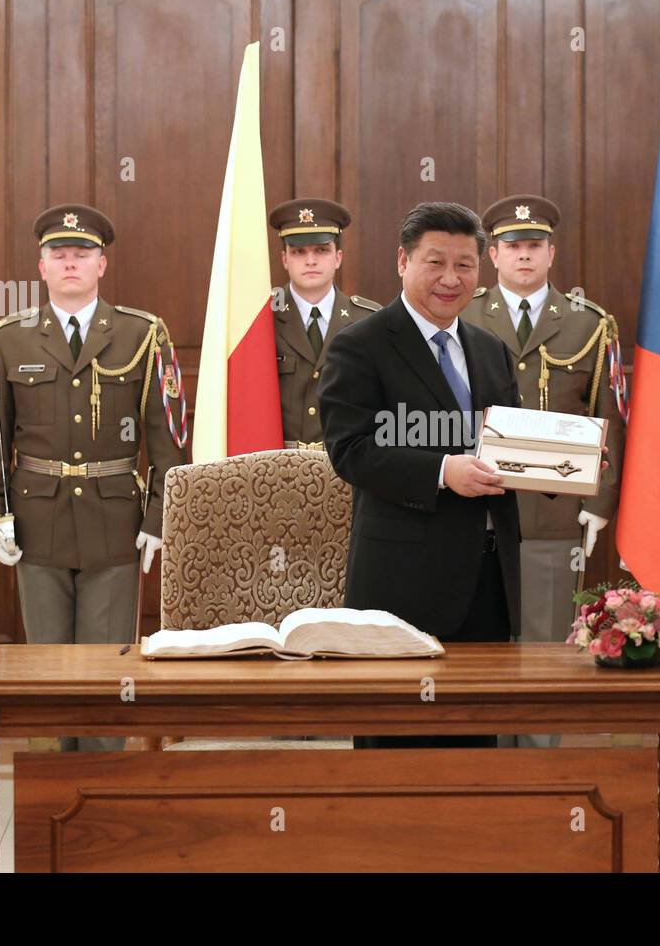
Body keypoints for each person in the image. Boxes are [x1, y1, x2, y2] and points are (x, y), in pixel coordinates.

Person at [0, 204, 187, 751]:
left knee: (107, 673)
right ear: (41, 267)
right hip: (36, 522)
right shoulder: (9, 338)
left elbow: (168, 438)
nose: (70, 264)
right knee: (48, 671)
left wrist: (159, 517)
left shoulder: (144, 335)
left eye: (81, 255)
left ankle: (100, 797)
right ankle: (52, 802)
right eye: (58, 255)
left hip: (115, 523)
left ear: (101, 266)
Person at [318, 201, 521, 749]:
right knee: (395, 746)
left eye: (465, 265)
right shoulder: (359, 347)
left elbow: (508, 447)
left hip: (487, 582)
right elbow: (350, 450)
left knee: (473, 746)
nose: (451, 279)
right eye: (436, 263)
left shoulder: (492, 351)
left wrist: (563, 465)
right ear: (403, 262)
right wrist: (440, 470)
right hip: (400, 583)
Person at [461, 194, 626, 748]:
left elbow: (610, 415)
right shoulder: (462, 317)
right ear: (493, 255)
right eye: (512, 246)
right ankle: (490, 767)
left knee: (547, 644)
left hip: (557, 510)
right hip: (479, 506)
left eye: (534, 245)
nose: (523, 256)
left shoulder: (590, 324)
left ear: (552, 253)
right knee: (486, 643)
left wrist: (599, 502)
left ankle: (541, 771)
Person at [267, 198, 379, 449]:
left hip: (348, 465)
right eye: (298, 252)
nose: (310, 261)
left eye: (321, 250)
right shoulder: (263, 321)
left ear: (338, 257)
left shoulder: (369, 321)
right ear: (284, 259)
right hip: (276, 469)